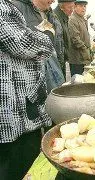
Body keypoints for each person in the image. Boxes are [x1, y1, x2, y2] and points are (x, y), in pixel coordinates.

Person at [0, 0, 53, 179]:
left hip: (21, 99)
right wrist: (47, 36)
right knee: (17, 163)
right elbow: (23, 43)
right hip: (12, 107)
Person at [13, 0, 65, 91]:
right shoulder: (15, 8)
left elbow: (57, 44)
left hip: (54, 76)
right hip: (30, 83)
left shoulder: (51, 15)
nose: (54, 1)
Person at [68, 0, 92, 76]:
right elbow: (75, 39)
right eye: (81, 6)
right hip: (77, 58)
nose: (84, 8)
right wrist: (85, 50)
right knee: (77, 83)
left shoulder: (82, 19)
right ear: (75, 7)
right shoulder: (72, 19)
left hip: (83, 57)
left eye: (85, 6)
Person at [54, 0, 75, 79]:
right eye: (69, 7)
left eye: (73, 7)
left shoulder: (64, 17)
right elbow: (57, 43)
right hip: (57, 61)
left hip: (62, 59)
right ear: (61, 6)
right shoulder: (55, 17)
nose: (72, 10)